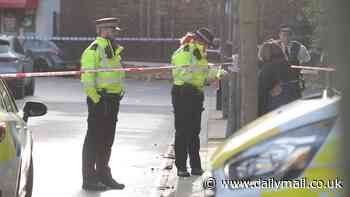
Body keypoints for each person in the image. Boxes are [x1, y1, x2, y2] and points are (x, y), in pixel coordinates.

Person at [171, 28, 226, 177]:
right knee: (183, 131)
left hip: (195, 94)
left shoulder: (200, 54)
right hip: (183, 93)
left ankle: (195, 166)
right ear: (198, 40)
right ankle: (181, 167)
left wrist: (219, 73)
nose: (207, 47)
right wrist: (204, 79)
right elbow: (183, 74)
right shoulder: (185, 52)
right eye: (206, 44)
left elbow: (204, 73)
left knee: (194, 132)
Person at [80, 17, 125, 191]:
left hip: (112, 100)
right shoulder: (94, 49)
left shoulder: (111, 50)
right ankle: (89, 179)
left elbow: (115, 75)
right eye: (112, 30)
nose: (114, 33)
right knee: (93, 140)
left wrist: (119, 92)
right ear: (103, 31)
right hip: (100, 100)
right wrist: (97, 100)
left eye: (114, 30)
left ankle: (104, 176)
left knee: (107, 140)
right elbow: (87, 79)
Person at [258, 40, 293, 116]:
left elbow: (262, 90)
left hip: (270, 108)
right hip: (288, 106)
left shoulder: (267, 68)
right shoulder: (286, 65)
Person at [277, 24, 311, 99]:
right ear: (279, 36)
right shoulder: (274, 47)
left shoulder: (299, 47)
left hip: (294, 81)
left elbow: (307, 60)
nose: (286, 38)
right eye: (283, 35)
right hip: (278, 83)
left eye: (288, 35)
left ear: (292, 36)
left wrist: (300, 68)